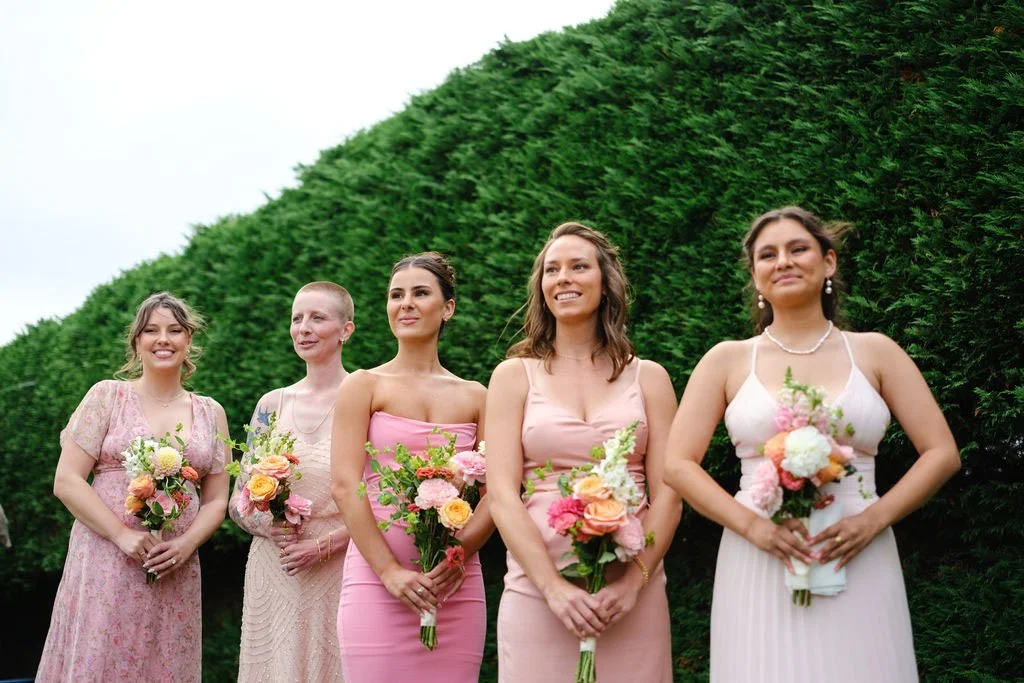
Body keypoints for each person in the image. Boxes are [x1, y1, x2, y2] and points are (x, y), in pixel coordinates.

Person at [663, 206, 961, 682]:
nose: (783, 261)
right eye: (768, 255)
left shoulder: (876, 352)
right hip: (760, 555)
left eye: (798, 248)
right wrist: (754, 528)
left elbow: (941, 452)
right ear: (755, 276)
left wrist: (873, 519)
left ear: (828, 262)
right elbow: (678, 464)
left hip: (857, 550)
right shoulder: (726, 360)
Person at [486, 222, 680, 682]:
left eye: (578, 266)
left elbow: (670, 495)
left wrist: (633, 584)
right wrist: (553, 589)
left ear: (605, 281)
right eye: (552, 270)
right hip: (538, 592)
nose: (563, 278)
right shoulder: (513, 377)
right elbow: (502, 495)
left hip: (630, 595)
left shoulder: (650, 378)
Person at [38, 292, 231, 682]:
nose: (163, 339)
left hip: (174, 566)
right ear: (137, 341)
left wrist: (186, 544)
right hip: (106, 559)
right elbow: (67, 480)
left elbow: (216, 500)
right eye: (151, 330)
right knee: (100, 658)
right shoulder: (107, 396)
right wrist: (121, 535)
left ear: (189, 339)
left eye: (174, 330)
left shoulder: (211, 412)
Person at [331, 252, 491, 683]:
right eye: (396, 295)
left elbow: (495, 492)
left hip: (454, 584)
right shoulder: (363, 385)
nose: (405, 304)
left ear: (448, 307)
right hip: (376, 582)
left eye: (420, 293)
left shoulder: (478, 396)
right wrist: (389, 572)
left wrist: (457, 558)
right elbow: (345, 485)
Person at [230, 281, 355, 681]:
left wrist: (324, 546)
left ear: (346, 330)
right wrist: (269, 525)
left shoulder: (365, 398)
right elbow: (238, 499)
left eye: (317, 318)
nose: (304, 328)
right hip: (276, 566)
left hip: (339, 564)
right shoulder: (271, 405)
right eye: (297, 318)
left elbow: (379, 499)